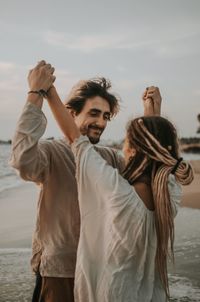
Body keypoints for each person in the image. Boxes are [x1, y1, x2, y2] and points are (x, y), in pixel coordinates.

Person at [9, 60, 162, 302]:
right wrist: (35, 93)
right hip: (61, 271)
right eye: (93, 113)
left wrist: (153, 116)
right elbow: (21, 160)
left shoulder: (111, 159)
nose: (101, 122)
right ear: (71, 113)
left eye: (105, 116)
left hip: (104, 272)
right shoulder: (51, 153)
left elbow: (145, 184)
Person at [45, 79, 194, 301]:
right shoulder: (169, 193)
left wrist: (48, 90)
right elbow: (157, 148)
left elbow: (75, 139)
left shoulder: (118, 192)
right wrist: (153, 112)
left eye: (127, 142)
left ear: (132, 150)